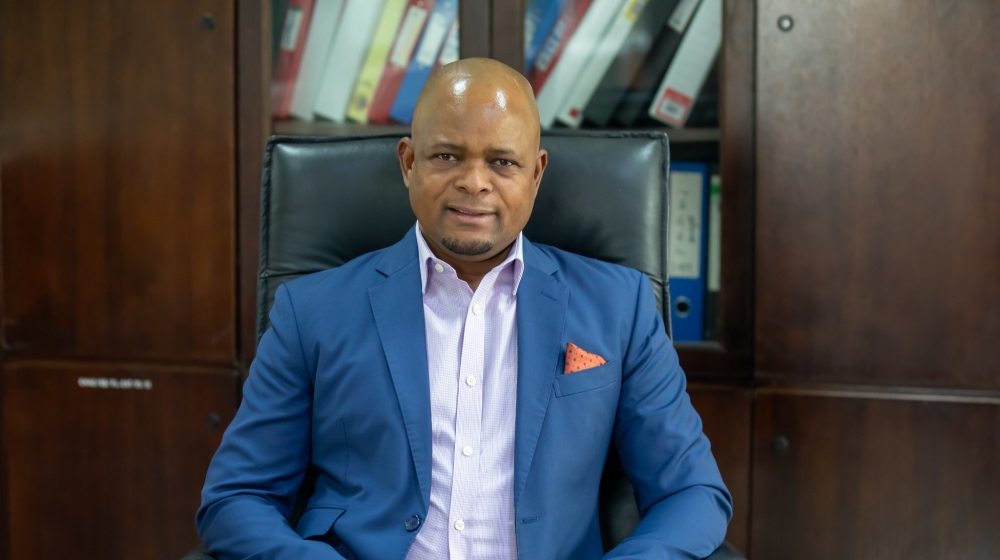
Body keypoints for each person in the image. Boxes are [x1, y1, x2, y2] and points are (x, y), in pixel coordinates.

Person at [197, 58, 732, 560]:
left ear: (536, 174)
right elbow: (236, 497)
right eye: (447, 156)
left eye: (502, 162)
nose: (474, 182)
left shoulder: (619, 306)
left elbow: (691, 492)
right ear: (409, 162)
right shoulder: (311, 310)